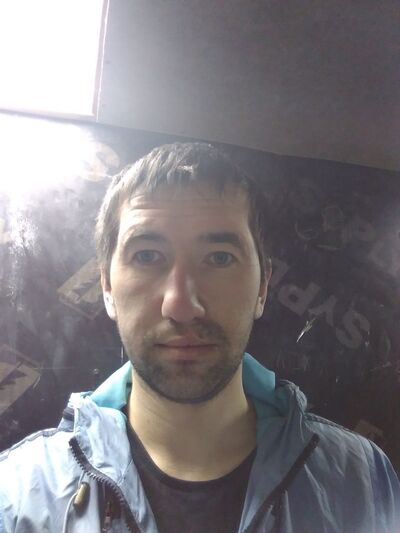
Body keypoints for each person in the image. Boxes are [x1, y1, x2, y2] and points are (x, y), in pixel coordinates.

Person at [0, 142, 399, 533]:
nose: (181, 305)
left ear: (263, 287)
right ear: (106, 288)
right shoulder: (18, 497)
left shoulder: (361, 481)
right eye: (146, 256)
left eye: (220, 258)